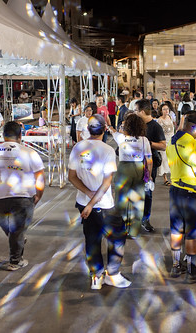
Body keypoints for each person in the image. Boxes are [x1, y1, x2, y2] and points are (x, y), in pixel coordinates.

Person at [68, 114, 131, 290]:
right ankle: (113, 274)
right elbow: (106, 183)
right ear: (104, 130)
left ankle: (96, 276)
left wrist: (88, 196)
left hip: (83, 202)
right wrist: (91, 204)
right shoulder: (107, 151)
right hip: (103, 205)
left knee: (92, 238)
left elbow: (71, 177)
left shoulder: (77, 148)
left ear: (88, 130)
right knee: (117, 238)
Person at [0, 121, 45, 270]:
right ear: (20, 135)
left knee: (13, 230)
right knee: (17, 230)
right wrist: (38, 195)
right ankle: (15, 261)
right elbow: (40, 176)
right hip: (23, 196)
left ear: (3, 135)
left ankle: (17, 243)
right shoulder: (29, 152)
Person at [166, 112, 196, 283]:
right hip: (193, 193)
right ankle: (192, 272)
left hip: (175, 191)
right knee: (191, 233)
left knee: (176, 229)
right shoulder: (193, 143)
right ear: (194, 127)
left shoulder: (171, 142)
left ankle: (175, 265)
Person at [110, 114, 152, 238]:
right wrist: (148, 175)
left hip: (124, 169)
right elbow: (149, 160)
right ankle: (134, 231)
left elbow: (113, 132)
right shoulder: (144, 140)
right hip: (139, 169)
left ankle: (120, 229)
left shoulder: (121, 138)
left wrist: (110, 127)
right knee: (137, 201)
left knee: (121, 200)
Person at [135, 99, 166, 232]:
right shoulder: (136, 124)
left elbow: (163, 146)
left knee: (147, 193)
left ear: (142, 111)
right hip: (134, 163)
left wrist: (148, 143)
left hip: (149, 164)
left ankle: (145, 219)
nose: (135, 113)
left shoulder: (155, 126)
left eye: (136, 110)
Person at [157, 103, 174, 186]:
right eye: (164, 109)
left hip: (171, 140)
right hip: (163, 141)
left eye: (167, 109)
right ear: (161, 111)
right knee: (164, 159)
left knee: (171, 159)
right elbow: (159, 132)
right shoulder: (159, 120)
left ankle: (173, 177)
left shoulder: (170, 117)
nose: (166, 111)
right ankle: (165, 178)